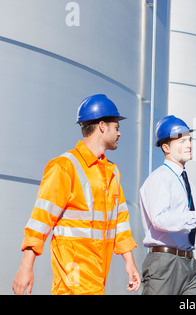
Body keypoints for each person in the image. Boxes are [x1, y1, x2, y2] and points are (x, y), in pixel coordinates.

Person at [12, 94, 141, 295]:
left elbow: (121, 220)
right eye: (117, 127)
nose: (119, 133)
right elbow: (41, 219)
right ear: (102, 126)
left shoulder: (112, 171)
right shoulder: (64, 167)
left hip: (98, 271)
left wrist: (129, 262)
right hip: (74, 271)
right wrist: (25, 267)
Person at [139, 115, 196, 295]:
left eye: (189, 140)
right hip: (164, 264)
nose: (189, 145)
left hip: (189, 263)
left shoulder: (186, 181)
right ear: (166, 147)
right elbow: (161, 220)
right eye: (182, 141)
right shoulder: (160, 178)